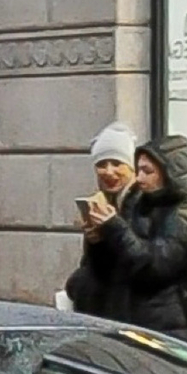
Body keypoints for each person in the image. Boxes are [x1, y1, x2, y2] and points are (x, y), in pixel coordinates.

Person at [68, 135, 187, 338]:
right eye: (139, 169)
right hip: (132, 323)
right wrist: (97, 240)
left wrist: (114, 227)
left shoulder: (183, 217)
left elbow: (152, 266)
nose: (139, 178)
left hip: (162, 329)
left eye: (147, 171)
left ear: (169, 174)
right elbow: (116, 265)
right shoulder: (141, 208)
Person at [64, 122, 141, 315]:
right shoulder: (103, 202)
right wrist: (94, 241)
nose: (108, 171)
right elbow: (97, 266)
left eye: (117, 163)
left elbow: (138, 261)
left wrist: (112, 227)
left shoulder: (141, 203)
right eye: (101, 164)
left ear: (132, 168)